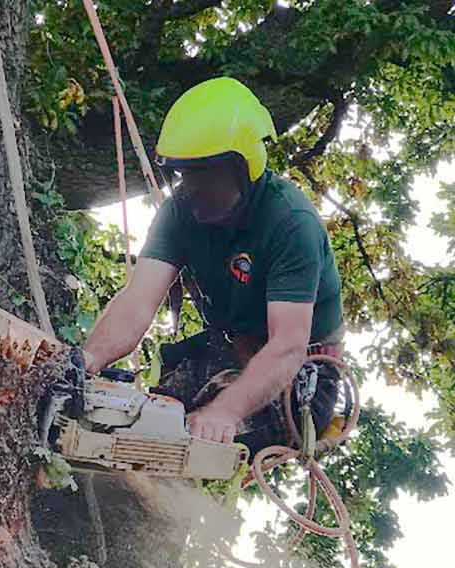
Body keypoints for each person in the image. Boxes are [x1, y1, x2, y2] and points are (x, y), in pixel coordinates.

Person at [83, 77, 344, 458]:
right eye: (182, 173)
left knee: (190, 445)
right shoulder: (179, 214)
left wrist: (225, 412)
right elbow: (137, 302)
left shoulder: (291, 223)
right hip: (226, 351)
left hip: (301, 375)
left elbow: (288, 345)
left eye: (201, 174)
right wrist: (87, 360)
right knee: (144, 425)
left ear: (240, 168)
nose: (188, 187)